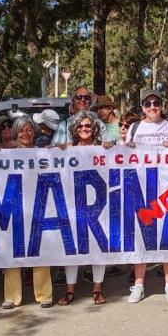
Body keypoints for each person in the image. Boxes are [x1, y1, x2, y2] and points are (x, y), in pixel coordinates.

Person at [125, 89, 168, 303]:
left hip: (166, 188)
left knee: (167, 236)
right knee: (141, 236)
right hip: (141, 187)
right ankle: (138, 284)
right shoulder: (135, 127)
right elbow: (124, 156)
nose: (152, 107)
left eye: (155, 102)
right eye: (147, 103)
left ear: (161, 104)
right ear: (142, 107)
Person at [1, 115, 54, 309]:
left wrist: (57, 151)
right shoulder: (4, 155)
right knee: (12, 252)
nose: (26, 133)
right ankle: (12, 297)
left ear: (34, 132)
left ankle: (44, 295)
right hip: (14, 208)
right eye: (21, 130)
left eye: (29, 129)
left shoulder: (43, 153)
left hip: (38, 207)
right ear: (15, 134)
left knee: (40, 251)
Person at [58, 113, 108, 305]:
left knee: (99, 247)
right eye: (80, 127)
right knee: (72, 249)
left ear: (94, 128)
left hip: (98, 206)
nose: (84, 129)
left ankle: (97, 289)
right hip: (74, 205)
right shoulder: (67, 150)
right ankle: (70, 291)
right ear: (74, 130)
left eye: (87, 126)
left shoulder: (103, 149)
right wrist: (55, 151)